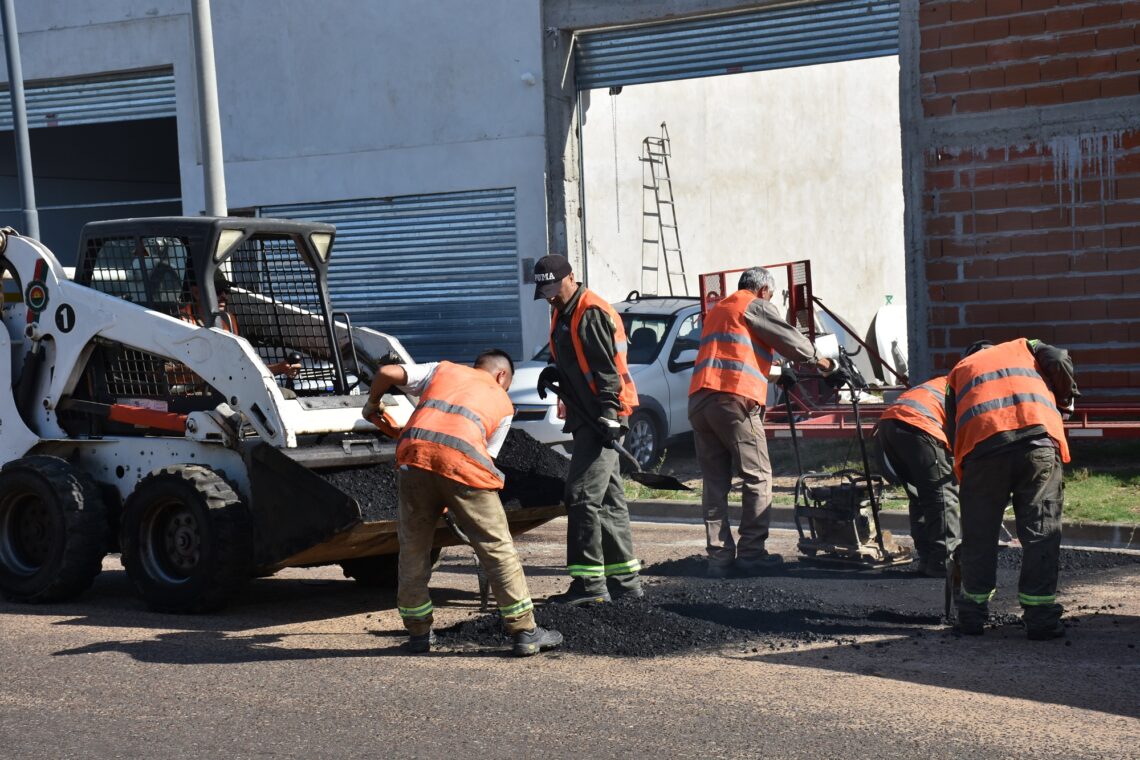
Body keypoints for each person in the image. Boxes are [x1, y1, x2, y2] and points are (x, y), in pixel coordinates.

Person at [362, 349, 563, 656]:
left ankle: (418, 634)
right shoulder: (503, 403)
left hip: (413, 458)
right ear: (501, 376)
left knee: (414, 548)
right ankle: (525, 631)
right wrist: (456, 499)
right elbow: (484, 458)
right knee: (497, 549)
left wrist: (372, 404)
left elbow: (387, 373)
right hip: (462, 466)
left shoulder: (442, 369)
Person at [688, 266, 839, 578]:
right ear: (764, 290)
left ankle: (718, 558)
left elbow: (731, 355)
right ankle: (752, 553)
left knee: (715, 483)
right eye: (771, 295)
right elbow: (791, 341)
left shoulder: (721, 310)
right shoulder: (754, 304)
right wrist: (826, 364)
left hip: (701, 400)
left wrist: (777, 372)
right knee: (757, 476)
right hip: (732, 400)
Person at [945, 338, 1078, 640]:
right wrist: (1067, 396)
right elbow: (1058, 356)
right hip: (1037, 441)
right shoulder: (1026, 346)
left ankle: (971, 616)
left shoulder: (958, 371)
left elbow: (953, 428)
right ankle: (1040, 618)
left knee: (979, 534)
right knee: (1041, 531)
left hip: (982, 450)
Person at [534, 254, 642, 605]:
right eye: (545, 291)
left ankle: (589, 586)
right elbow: (572, 357)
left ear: (571, 278)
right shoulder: (562, 310)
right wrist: (554, 370)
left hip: (603, 418)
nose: (550, 296)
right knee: (609, 500)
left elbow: (606, 369)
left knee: (580, 495)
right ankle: (625, 584)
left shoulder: (589, 311)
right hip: (587, 417)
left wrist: (610, 414)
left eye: (554, 288)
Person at [874, 376, 960, 577]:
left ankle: (928, 557)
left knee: (920, 496)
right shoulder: (971, 384)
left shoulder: (948, 379)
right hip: (918, 425)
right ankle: (944, 562)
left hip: (888, 425)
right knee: (942, 497)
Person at [179, 272, 301, 379]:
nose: (224, 296)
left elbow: (248, 369)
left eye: (226, 291)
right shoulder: (180, 322)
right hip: (195, 397)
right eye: (217, 291)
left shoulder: (230, 322)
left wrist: (281, 368)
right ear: (196, 293)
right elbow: (166, 374)